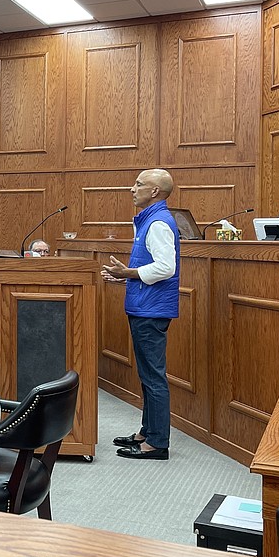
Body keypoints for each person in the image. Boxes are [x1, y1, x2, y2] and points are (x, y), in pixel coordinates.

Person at [102, 169, 180, 461]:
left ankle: (157, 443)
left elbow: (166, 267)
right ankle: (148, 432)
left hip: (151, 308)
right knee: (147, 374)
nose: (132, 189)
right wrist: (125, 276)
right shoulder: (149, 219)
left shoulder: (158, 222)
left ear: (155, 191)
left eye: (139, 184)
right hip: (145, 304)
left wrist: (128, 273)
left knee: (153, 376)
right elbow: (150, 267)